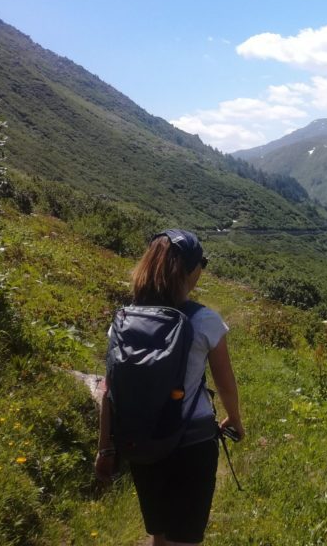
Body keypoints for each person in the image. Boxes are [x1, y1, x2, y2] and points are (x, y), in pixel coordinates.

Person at [95, 229, 244, 546]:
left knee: (158, 535)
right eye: (201, 262)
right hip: (192, 443)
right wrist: (234, 418)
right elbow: (225, 383)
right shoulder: (205, 321)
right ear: (190, 270)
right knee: (185, 540)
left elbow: (110, 389)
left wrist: (105, 448)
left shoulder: (123, 322)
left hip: (143, 442)